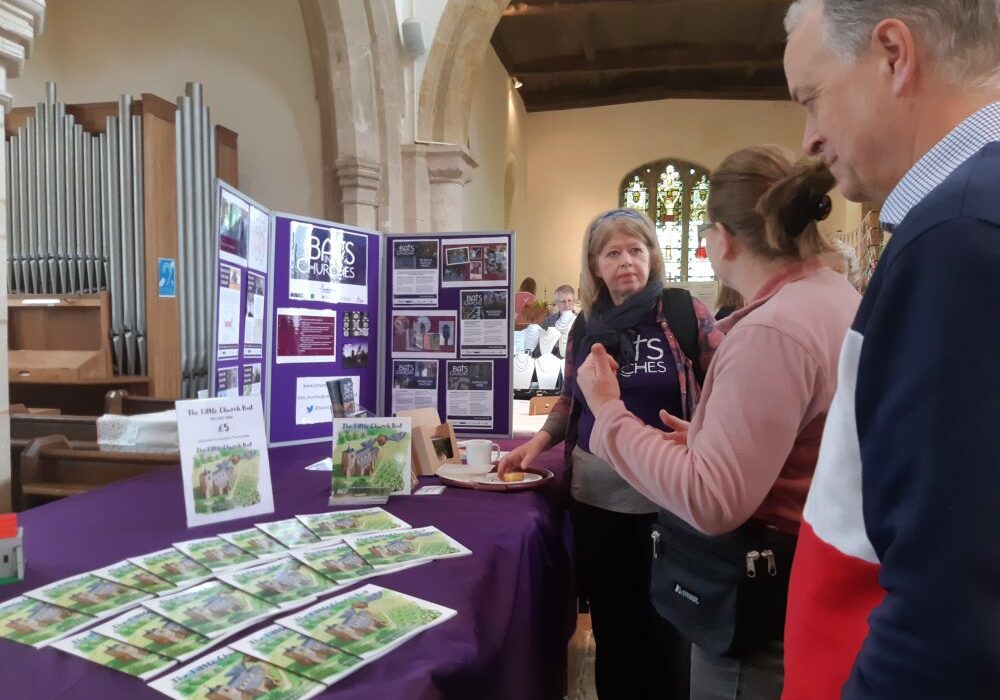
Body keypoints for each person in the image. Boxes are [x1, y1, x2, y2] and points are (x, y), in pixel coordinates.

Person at [573, 147, 860, 699]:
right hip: (804, 575)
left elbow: (712, 497)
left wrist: (609, 412)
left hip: (757, 594)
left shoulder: (770, 331)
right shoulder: (829, 296)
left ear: (720, 239)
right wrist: (705, 435)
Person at [780, 2, 1000, 698]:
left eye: (812, 99)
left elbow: (950, 618)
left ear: (894, 55)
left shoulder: (958, 235)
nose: (810, 139)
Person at [499, 208, 723, 699]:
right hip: (598, 502)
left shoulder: (685, 314)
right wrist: (535, 446)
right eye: (614, 253)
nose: (627, 262)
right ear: (596, 265)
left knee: (669, 633)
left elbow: (729, 388)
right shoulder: (586, 325)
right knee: (613, 631)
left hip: (669, 502)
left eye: (637, 250)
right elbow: (570, 402)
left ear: (653, 257)